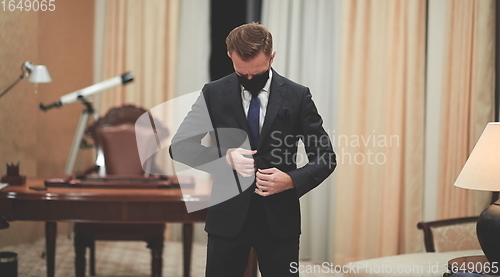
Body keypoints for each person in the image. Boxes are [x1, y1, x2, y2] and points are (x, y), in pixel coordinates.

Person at [170, 22, 336, 277]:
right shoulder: (213, 93)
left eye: (256, 73)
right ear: (230, 57)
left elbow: (326, 157)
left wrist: (291, 180)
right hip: (227, 218)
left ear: (272, 57)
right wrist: (224, 157)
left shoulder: (297, 95)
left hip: (280, 219)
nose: (249, 79)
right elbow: (180, 146)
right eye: (241, 73)